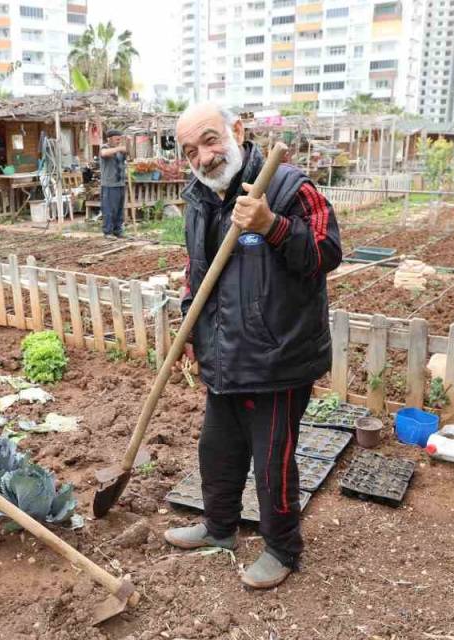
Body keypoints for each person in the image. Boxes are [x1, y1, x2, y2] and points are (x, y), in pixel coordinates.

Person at [163, 103, 342, 589]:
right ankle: (219, 528)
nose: (203, 157)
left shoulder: (288, 187)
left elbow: (327, 254)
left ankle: (282, 549)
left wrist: (271, 226)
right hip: (223, 352)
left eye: (210, 140)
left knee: (272, 461)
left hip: (277, 357)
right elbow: (196, 272)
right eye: (190, 151)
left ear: (237, 131)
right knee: (216, 449)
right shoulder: (200, 198)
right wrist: (189, 325)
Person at [99, 129, 128, 239]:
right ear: (109, 139)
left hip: (120, 183)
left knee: (119, 210)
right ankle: (108, 232)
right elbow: (104, 154)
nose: (118, 141)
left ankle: (118, 231)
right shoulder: (105, 147)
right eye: (116, 139)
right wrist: (119, 148)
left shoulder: (120, 150)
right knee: (110, 210)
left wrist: (126, 147)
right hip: (109, 184)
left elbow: (126, 155)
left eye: (119, 139)